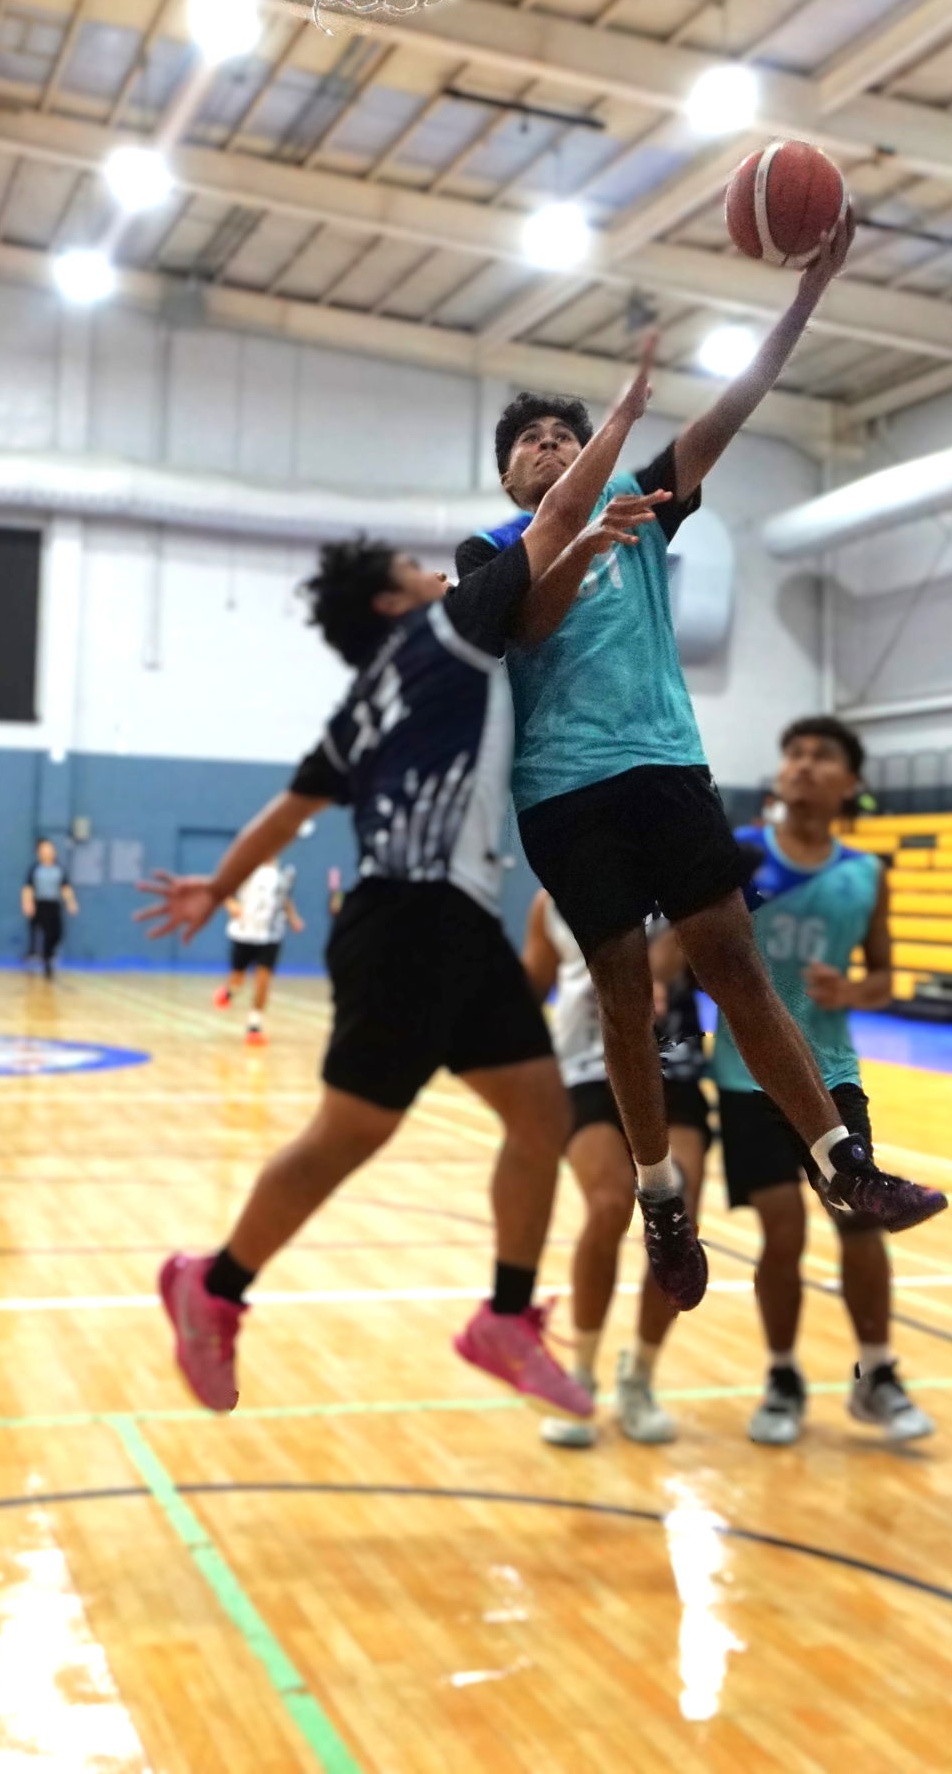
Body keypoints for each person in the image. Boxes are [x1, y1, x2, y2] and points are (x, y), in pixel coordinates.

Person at [137, 347, 670, 1418]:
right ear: (395, 599)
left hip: (444, 922)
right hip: (414, 920)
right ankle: (216, 1282)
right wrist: (617, 420)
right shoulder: (451, 623)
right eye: (419, 570)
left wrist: (215, 883)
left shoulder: (365, 699)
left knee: (533, 1121)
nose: (443, 571)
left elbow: (289, 809)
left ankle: (506, 1318)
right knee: (350, 1135)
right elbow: (555, 523)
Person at [456, 221, 945, 1318]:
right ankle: (660, 1194)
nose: (546, 445)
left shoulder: (646, 509)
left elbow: (731, 411)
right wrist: (578, 532)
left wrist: (808, 293)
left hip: (668, 765)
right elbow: (522, 627)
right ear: (504, 471)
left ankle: (838, 1158)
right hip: (564, 790)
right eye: (528, 439)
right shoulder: (489, 553)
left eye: (562, 435)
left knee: (733, 964)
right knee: (624, 997)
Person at [714, 717, 934, 1448]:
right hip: (747, 1078)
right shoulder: (739, 857)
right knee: (784, 1231)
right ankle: (782, 1376)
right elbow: (689, 952)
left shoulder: (866, 875)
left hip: (832, 1073)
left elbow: (882, 979)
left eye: (822, 757)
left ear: (851, 784)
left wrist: (850, 991)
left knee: (861, 1218)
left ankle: (878, 1373)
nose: (804, 766)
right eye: (794, 754)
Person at [520, 895, 711, 1448]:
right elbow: (534, 980)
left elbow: (686, 942)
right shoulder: (552, 895)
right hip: (584, 1069)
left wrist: (647, 977)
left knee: (680, 1214)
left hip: (671, 1067)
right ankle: (579, 1374)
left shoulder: (679, 869)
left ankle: (640, 1379)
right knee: (608, 1205)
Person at [214, 859, 304, 1045]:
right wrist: (231, 905)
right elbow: (225, 892)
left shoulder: (282, 875)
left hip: (271, 936)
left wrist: (294, 918)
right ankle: (229, 993)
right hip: (244, 934)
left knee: (263, 980)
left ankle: (254, 1027)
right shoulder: (246, 867)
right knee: (237, 980)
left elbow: (284, 900)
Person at [21, 838, 78, 979]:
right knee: (42, 934)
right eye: (45, 849)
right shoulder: (35, 870)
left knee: (57, 934)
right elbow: (28, 888)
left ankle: (48, 954)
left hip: (54, 905)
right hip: (39, 904)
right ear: (39, 853)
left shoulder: (59, 869)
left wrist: (71, 903)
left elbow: (65, 888)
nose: (48, 852)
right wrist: (27, 903)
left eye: (50, 849)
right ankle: (45, 961)